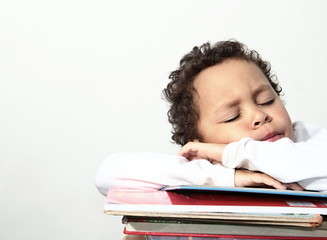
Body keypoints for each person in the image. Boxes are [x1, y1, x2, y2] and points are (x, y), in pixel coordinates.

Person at [95, 40, 327, 201]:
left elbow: (301, 163)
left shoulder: (309, 140)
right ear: (204, 145)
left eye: (267, 101)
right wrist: (232, 176)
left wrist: (235, 154)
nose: (259, 115)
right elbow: (108, 173)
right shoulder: (209, 168)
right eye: (232, 116)